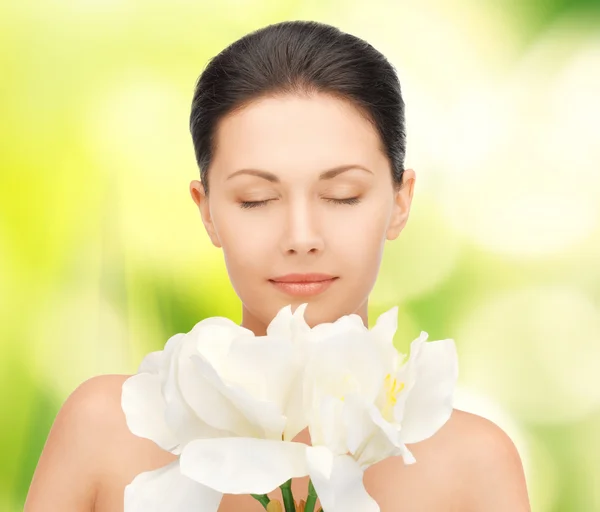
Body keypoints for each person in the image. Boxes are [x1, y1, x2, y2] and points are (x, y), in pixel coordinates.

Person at [24, 20, 531, 512]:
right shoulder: (107, 431)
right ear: (208, 212)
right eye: (256, 199)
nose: (301, 238)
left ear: (400, 201)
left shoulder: (473, 463)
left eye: (342, 195)